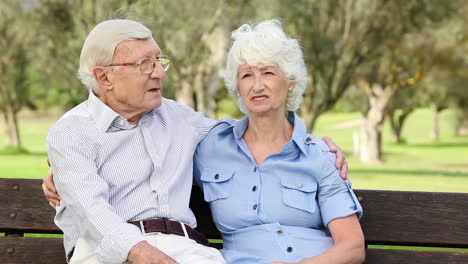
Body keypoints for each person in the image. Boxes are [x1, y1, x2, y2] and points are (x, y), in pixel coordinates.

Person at [43, 19, 349, 264]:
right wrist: (145, 255)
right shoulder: (71, 133)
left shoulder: (178, 118)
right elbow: (95, 215)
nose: (159, 73)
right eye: (144, 64)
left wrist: (314, 145)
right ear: (104, 77)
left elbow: (250, 135)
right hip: (107, 255)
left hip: (188, 250)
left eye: (159, 60)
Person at [193, 20, 365, 264]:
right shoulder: (210, 148)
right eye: (247, 75)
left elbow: (352, 247)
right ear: (237, 87)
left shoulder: (320, 156)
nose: (257, 85)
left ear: (291, 81)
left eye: (268, 72)